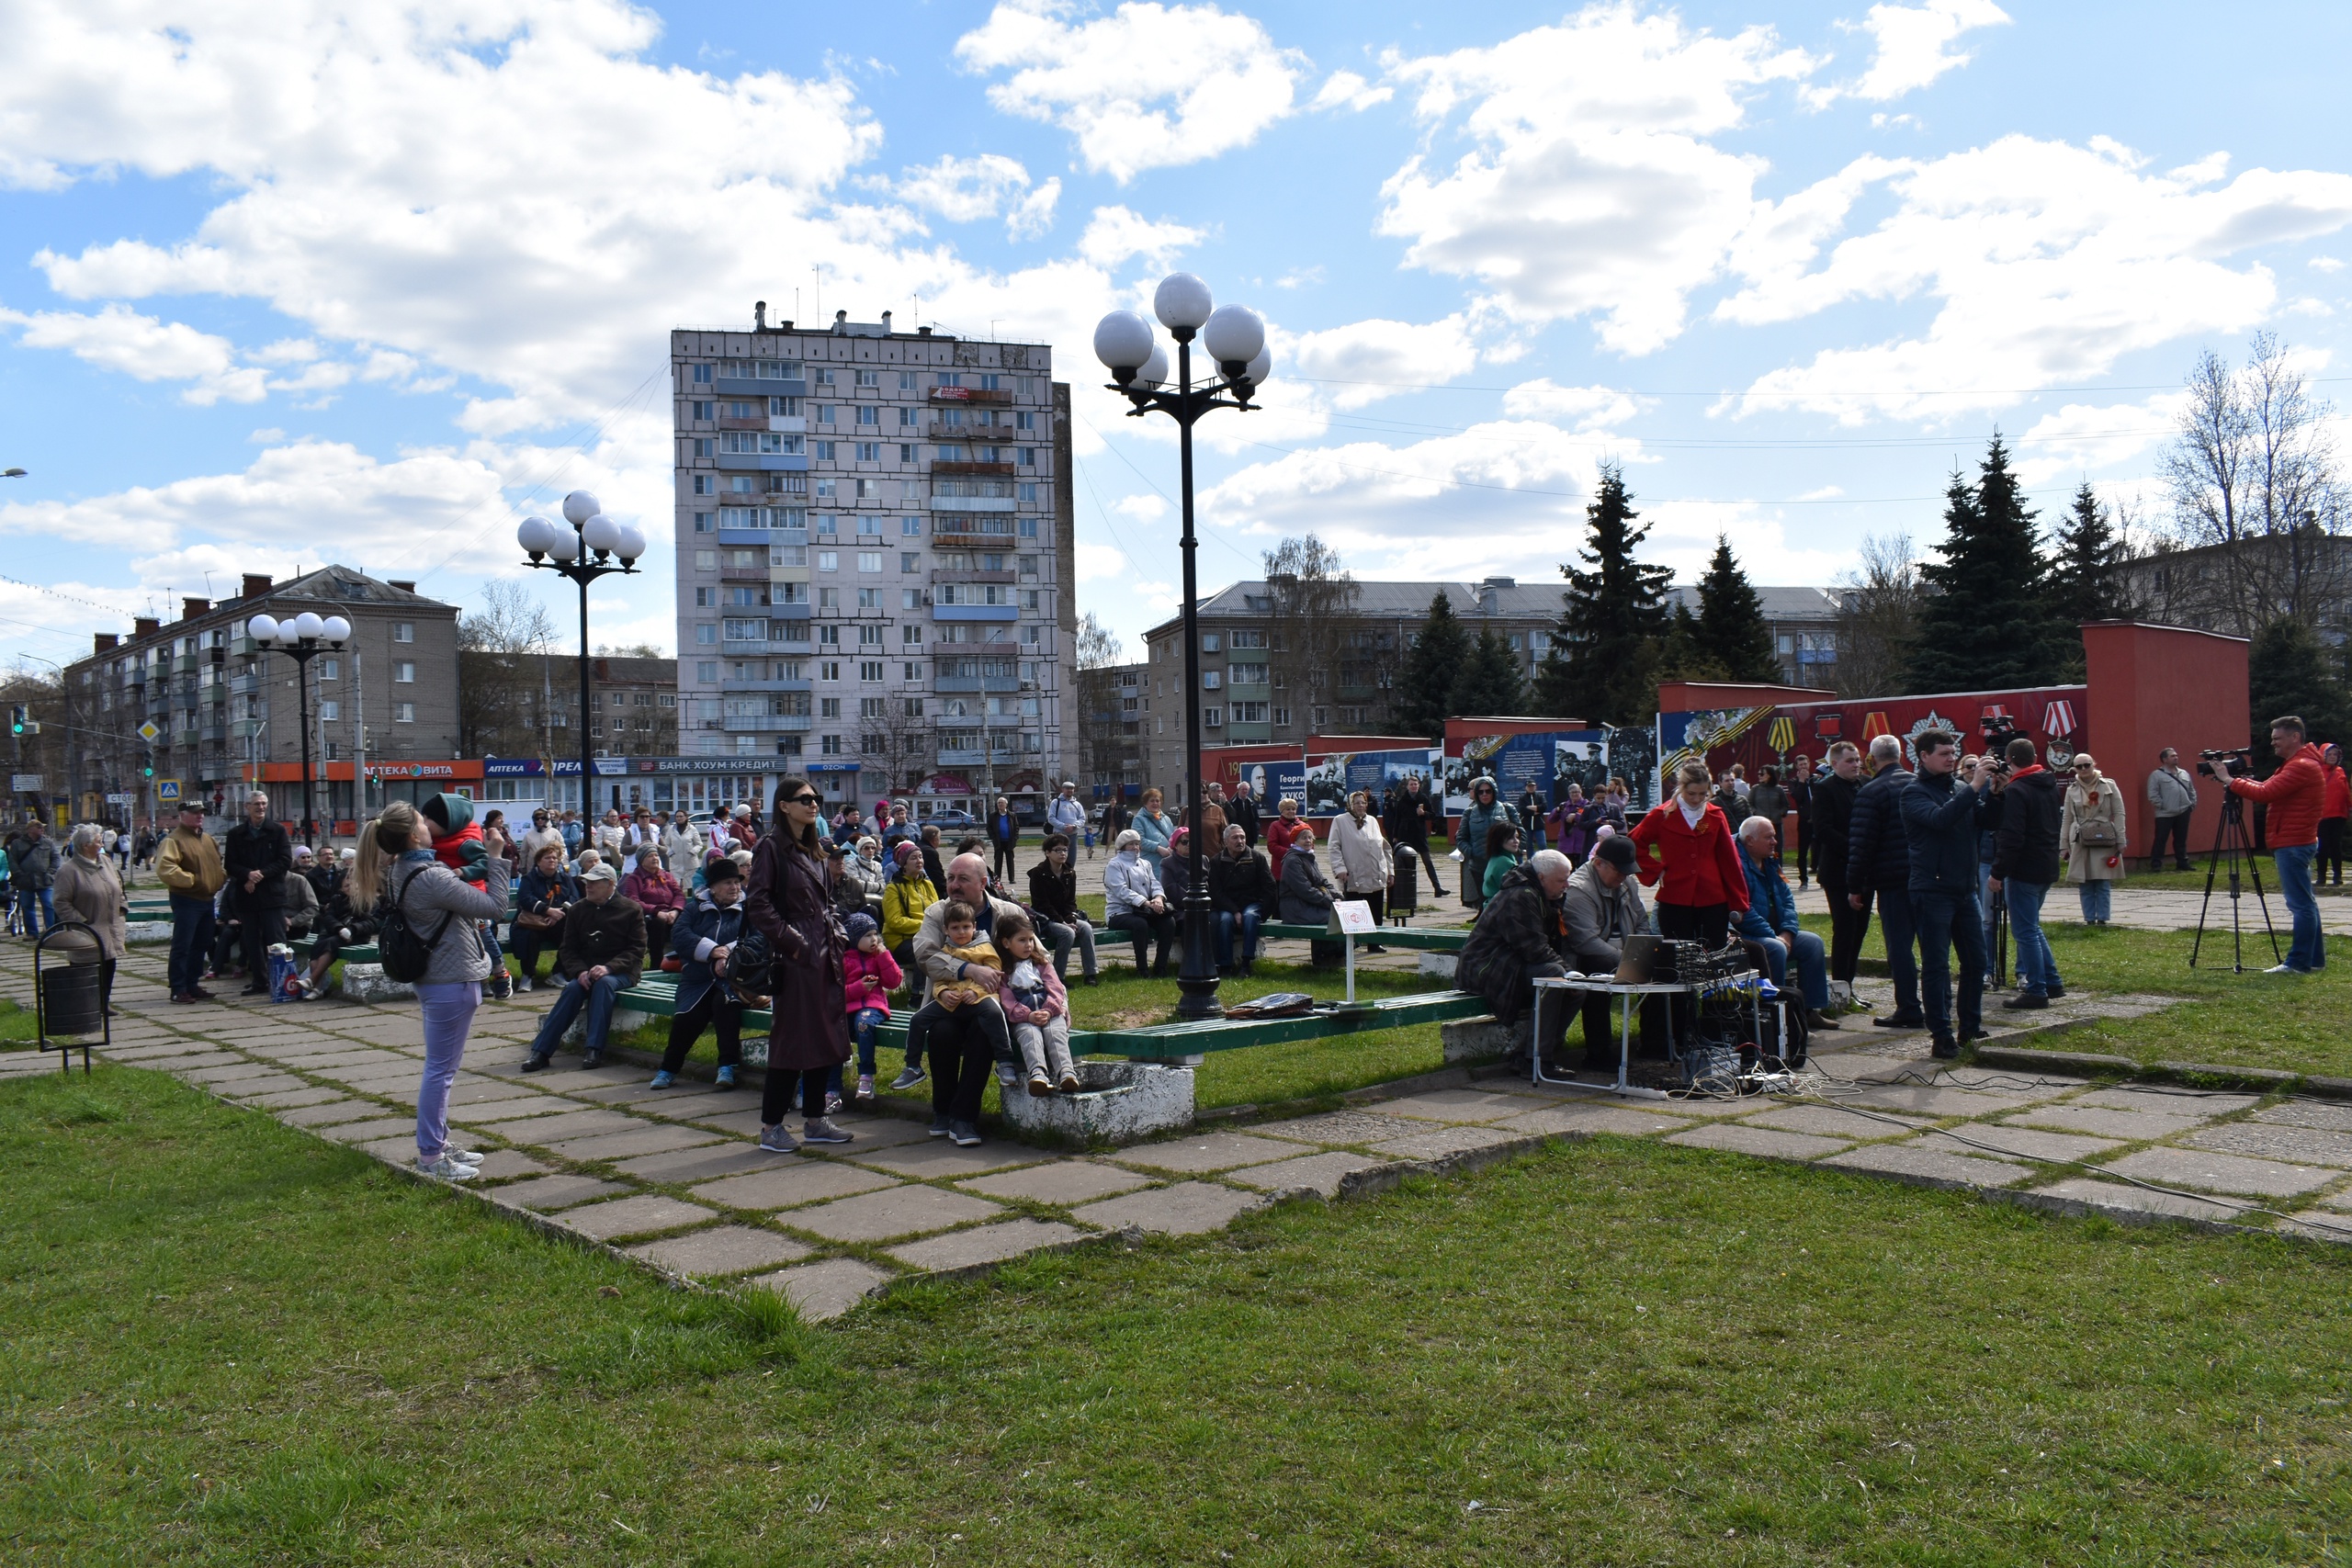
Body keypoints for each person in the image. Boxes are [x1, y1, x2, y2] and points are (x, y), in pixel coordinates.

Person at [353, 801, 511, 1180]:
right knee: (440, 1072)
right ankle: (430, 1155)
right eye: (423, 822)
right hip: (449, 980)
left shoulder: (403, 869)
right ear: (413, 835)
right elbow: (497, 907)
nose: (430, 826)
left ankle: (438, 1143)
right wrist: (496, 857)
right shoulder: (429, 876)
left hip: (439, 978)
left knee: (442, 1070)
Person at [745, 776, 856, 1152]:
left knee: (824, 1039)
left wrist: (836, 933)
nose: (813, 804)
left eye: (816, 799)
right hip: (797, 960)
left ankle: (815, 1120)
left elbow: (828, 903)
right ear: (783, 805)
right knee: (792, 1041)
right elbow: (758, 904)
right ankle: (770, 1127)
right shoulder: (771, 848)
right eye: (804, 799)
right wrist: (795, 943)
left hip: (827, 955)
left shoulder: (816, 850)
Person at [907, 855, 1023, 1145]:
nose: (953, 886)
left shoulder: (1007, 913)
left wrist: (1056, 999)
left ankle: (963, 1118)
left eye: (962, 879)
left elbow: (1036, 955)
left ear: (983, 883)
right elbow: (924, 954)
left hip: (989, 1006)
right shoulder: (937, 913)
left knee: (983, 1035)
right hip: (947, 1003)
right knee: (942, 1034)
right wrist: (968, 969)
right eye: (950, 878)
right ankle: (942, 1112)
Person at [1899, 731, 1996, 1058]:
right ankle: (1940, 1033)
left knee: (1976, 961)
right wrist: (1974, 788)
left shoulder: (1958, 789)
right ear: (1923, 757)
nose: (1951, 758)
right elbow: (1940, 820)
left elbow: (1985, 820)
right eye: (1943, 753)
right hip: (1932, 889)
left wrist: (1998, 792)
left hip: (1964, 889)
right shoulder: (1913, 792)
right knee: (1937, 965)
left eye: (1953, 752)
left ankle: (1969, 1026)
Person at [2217, 716, 2331, 974]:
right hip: (2298, 840)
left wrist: (2229, 780)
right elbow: (2269, 788)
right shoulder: (2301, 763)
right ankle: (2314, 960)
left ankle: (2298, 963)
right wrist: (2238, 782)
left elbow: (2265, 794)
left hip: (2293, 843)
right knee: (2306, 903)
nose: (2273, 744)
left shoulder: (2300, 765)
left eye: (2277, 739)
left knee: (2300, 905)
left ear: (2295, 737)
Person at [520, 861, 646, 1072]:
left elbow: (637, 949)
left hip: (621, 972)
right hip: (586, 971)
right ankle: (541, 1051)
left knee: (604, 984)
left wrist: (609, 967)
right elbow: (568, 949)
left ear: (610, 884)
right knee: (571, 989)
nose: (588, 886)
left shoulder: (631, 909)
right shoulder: (578, 909)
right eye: (587, 882)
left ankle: (594, 1049)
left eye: (594, 883)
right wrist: (579, 971)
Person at [1458, 849, 1576, 1070]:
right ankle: (1536, 1059)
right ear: (1542, 878)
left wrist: (1573, 974)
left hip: (1512, 964)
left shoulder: (1543, 894)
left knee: (1576, 987)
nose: (1566, 885)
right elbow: (1533, 948)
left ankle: (1535, 1051)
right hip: (1487, 969)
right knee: (1556, 976)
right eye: (1561, 880)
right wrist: (1568, 971)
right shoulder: (1520, 896)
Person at [1557, 836, 1666, 1071]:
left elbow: (1641, 923)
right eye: (1619, 871)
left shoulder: (1628, 883)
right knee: (1596, 972)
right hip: (1585, 957)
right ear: (1598, 863)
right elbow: (1586, 941)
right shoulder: (1579, 889)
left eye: (1628, 871)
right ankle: (1598, 1053)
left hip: (1623, 951)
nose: (1623, 877)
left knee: (1663, 970)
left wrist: (1643, 953)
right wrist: (1628, 960)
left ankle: (1654, 1044)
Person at [652, 853, 753, 1091]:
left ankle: (727, 1067)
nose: (734, 887)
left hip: (734, 979)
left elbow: (757, 939)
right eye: (728, 883)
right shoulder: (695, 908)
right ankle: (668, 1069)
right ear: (713, 887)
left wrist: (728, 954)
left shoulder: (748, 909)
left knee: (725, 1005)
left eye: (737, 882)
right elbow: (680, 935)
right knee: (688, 1016)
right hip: (698, 978)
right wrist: (712, 951)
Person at [1628, 762, 1749, 949]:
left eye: (1703, 794)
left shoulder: (1715, 815)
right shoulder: (1661, 815)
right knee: (1678, 960)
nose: (1697, 799)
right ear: (1681, 788)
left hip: (1713, 900)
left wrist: (1738, 902)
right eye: (1691, 794)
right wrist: (1655, 870)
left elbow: (1730, 860)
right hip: (1674, 898)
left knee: (1713, 958)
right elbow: (1633, 844)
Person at [1846, 734, 1923, 1029]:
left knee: (1899, 946)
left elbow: (1861, 844)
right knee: (1932, 944)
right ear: (1901, 755)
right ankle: (1938, 1003)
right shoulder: (1920, 785)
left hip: (1892, 881)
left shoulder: (1871, 792)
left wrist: (1855, 887)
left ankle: (1909, 1006)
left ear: (1872, 760)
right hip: (1926, 875)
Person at [1733, 815, 1836, 1032]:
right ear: (1749, 840)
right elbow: (1742, 909)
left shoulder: (1770, 861)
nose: (1774, 842)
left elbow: (1787, 899)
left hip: (1776, 933)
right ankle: (1780, 1016)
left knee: (1813, 944)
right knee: (1776, 948)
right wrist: (1773, 935)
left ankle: (1808, 1012)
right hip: (1745, 935)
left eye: (1774, 836)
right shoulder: (1735, 864)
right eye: (1768, 837)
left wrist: (1788, 931)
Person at [1988, 735, 2065, 1010]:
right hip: (2046, 864)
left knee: (2025, 932)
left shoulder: (2018, 791)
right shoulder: (2046, 784)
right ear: (2034, 759)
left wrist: (1997, 871)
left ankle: (2036, 989)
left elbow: (2012, 836)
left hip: (2024, 869)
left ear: (2008, 761)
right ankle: (2051, 981)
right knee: (2033, 926)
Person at [995, 910, 1078, 1096]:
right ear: (1006, 943)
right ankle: (1038, 1074)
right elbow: (1007, 999)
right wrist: (1027, 1015)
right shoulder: (1004, 971)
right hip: (1024, 1018)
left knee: (1055, 1033)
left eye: (1031, 940)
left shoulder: (1041, 964)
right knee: (1030, 1036)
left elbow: (1055, 988)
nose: (1028, 945)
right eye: (1022, 940)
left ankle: (1066, 1073)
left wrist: (1049, 1010)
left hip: (1050, 1012)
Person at [220, 792, 292, 995]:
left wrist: (258, 875)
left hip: (272, 896)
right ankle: (260, 982)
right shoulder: (236, 834)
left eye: (263, 804)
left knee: (276, 942)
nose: (260, 807)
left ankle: (282, 982)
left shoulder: (277, 831)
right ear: (247, 807)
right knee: (252, 943)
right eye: (256, 804)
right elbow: (231, 864)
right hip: (247, 895)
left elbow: (284, 861)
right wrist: (247, 875)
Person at [53, 824, 129, 1014]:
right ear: (86, 845)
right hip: (87, 929)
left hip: (110, 925)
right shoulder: (69, 871)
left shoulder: (105, 861)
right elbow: (61, 902)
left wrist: (122, 908)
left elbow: (118, 887)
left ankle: (103, 1003)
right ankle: (85, 1006)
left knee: (109, 964)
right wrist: (81, 921)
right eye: (98, 841)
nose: (102, 844)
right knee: (85, 968)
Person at [156, 800, 225, 1002]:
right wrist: (193, 881)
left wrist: (219, 878)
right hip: (186, 899)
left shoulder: (207, 839)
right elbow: (166, 868)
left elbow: (217, 863)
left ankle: (192, 984)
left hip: (207, 899)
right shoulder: (173, 840)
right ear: (182, 815)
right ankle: (178, 988)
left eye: (202, 812)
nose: (200, 816)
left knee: (202, 943)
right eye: (195, 813)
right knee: (183, 944)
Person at [838, 910, 903, 1103]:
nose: (874, 939)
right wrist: (858, 988)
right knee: (834, 1030)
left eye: (875, 934)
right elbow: (835, 992)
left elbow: (894, 982)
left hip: (873, 1006)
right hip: (848, 1006)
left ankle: (866, 1076)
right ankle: (831, 1086)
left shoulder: (877, 956)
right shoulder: (844, 959)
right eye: (867, 936)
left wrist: (884, 956)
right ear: (854, 938)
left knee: (863, 1024)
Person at [297, 850, 381, 999]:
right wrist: (339, 928)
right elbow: (328, 917)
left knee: (330, 944)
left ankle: (312, 981)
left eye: (352, 883)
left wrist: (352, 929)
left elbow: (370, 922)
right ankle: (315, 988)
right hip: (335, 934)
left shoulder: (368, 900)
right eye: (346, 885)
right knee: (318, 946)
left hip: (356, 936)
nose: (349, 886)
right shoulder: (337, 899)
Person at [2061, 754, 2128, 925]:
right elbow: (2067, 818)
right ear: (2075, 769)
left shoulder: (2109, 785)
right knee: (2084, 880)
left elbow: (2119, 813)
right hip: (2080, 836)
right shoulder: (2072, 790)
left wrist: (2121, 839)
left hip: (2104, 835)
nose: (2083, 769)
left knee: (2102, 879)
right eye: (2079, 766)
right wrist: (2064, 845)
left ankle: (2103, 919)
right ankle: (2089, 919)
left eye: (2087, 765)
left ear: (2094, 764)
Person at [1025, 833, 1098, 985]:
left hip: (1064, 917)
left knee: (1086, 928)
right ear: (1047, 853)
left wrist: (1070, 918)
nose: (1062, 853)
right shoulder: (1038, 874)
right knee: (1067, 933)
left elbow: (1071, 902)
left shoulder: (1069, 872)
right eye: (1057, 850)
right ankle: (1058, 977)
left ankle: (1091, 974)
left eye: (1065, 850)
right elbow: (1041, 904)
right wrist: (1062, 922)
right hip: (1045, 919)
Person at [1103, 829, 1177, 975]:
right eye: (1131, 844)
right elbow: (1122, 891)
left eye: (1137, 844)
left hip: (1144, 911)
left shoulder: (1145, 863)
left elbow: (1155, 883)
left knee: (1169, 922)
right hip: (1120, 912)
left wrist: (1158, 898)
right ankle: (1142, 968)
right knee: (1140, 924)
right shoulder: (1114, 865)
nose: (1135, 847)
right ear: (1122, 846)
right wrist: (1146, 902)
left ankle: (1161, 966)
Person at [881, 840, 939, 1023]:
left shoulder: (927, 884)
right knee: (924, 950)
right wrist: (926, 925)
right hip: (900, 940)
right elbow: (894, 921)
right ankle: (916, 998)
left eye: (920, 857)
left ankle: (941, 994)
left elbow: (937, 910)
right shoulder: (894, 888)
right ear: (903, 863)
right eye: (914, 858)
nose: (919, 861)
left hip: (926, 935)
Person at [1207, 823, 1276, 975]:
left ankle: (1246, 963)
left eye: (1242, 837)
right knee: (1225, 920)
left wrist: (1264, 913)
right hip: (1228, 905)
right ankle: (1225, 966)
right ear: (1226, 841)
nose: (1240, 841)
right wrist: (1234, 911)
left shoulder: (1257, 858)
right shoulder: (1216, 861)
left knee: (1250, 917)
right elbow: (1216, 892)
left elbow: (1270, 887)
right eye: (1235, 838)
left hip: (1252, 903)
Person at [509, 844, 577, 993]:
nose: (552, 860)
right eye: (547, 858)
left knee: (573, 935)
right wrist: (547, 911)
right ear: (539, 861)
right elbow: (525, 899)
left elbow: (574, 898)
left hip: (558, 921)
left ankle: (558, 973)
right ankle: (527, 976)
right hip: (532, 923)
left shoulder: (565, 878)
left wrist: (558, 915)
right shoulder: (529, 878)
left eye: (554, 858)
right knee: (528, 937)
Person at [1330, 790, 1394, 935]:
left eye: (1363, 802)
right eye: (1357, 803)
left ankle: (1374, 942)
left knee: (1376, 910)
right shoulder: (1340, 821)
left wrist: (1390, 871)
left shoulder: (1372, 821)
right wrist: (1339, 868)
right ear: (1350, 805)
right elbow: (1333, 847)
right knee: (1354, 912)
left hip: (1374, 874)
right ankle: (1354, 941)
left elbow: (1385, 847)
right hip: (1354, 874)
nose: (1361, 806)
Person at [1454, 778, 1519, 912]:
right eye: (1480, 792)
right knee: (1484, 899)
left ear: (1494, 791)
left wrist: (1515, 850)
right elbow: (1460, 838)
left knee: (1506, 898)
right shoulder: (1470, 812)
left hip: (1503, 863)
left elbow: (1520, 832)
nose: (1484, 794)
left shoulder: (1506, 809)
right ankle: (1484, 922)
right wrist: (1472, 852)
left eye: (1488, 791)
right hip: (1479, 864)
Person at [1383, 774, 1445, 896]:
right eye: (1411, 784)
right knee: (1405, 864)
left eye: (1415, 784)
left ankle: (1437, 888)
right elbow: (1397, 818)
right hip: (1405, 834)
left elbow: (1433, 815)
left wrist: (1424, 813)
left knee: (1428, 861)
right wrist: (1395, 835)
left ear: (1419, 786)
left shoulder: (1423, 798)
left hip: (1419, 834)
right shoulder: (1402, 800)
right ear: (1407, 786)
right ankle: (1402, 891)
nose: (1413, 786)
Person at [621, 846, 684, 962]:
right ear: (641, 861)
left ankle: (681, 960)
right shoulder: (634, 878)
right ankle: (657, 962)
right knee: (658, 924)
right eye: (650, 856)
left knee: (685, 919)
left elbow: (679, 894)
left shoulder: (667, 876)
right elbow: (632, 900)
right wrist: (656, 911)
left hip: (671, 913)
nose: (655, 858)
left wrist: (675, 911)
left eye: (656, 855)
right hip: (650, 916)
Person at [2145, 749, 2199, 873]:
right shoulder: (2156, 775)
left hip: (2184, 811)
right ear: (2165, 759)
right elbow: (2152, 794)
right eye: (2172, 756)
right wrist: (2163, 806)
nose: (2176, 757)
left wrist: (2191, 804)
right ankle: (2156, 864)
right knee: (2161, 839)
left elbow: (2191, 790)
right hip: (2165, 813)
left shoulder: (2184, 773)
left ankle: (2182, 863)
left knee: (2181, 839)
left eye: (2176, 755)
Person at [7, 818, 60, 938]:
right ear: (30, 829)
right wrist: (18, 873)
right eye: (39, 827)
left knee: (49, 905)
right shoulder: (17, 843)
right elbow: (12, 860)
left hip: (45, 880)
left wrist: (50, 872)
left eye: (42, 827)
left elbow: (56, 858)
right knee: (27, 906)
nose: (42, 829)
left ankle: (50, 932)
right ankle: (32, 933)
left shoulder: (48, 843)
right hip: (25, 880)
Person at [1277, 820, 1338, 923]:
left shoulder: (1308, 857)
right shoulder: (1292, 861)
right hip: (1295, 908)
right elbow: (1304, 890)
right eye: (1304, 838)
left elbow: (1322, 882)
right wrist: (1330, 902)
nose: (1308, 841)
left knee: (1342, 915)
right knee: (1335, 918)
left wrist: (1338, 897)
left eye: (1310, 838)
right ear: (1295, 841)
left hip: (1309, 904)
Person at [1787, 753, 1817, 887]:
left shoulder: (1816, 779)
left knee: (1820, 849)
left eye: (1805, 764)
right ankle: (1803, 879)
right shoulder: (1794, 782)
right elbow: (1797, 797)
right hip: (1804, 820)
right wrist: (1802, 782)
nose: (1804, 767)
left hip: (1818, 819)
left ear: (1809, 764)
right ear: (1796, 767)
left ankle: (1820, 874)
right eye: (1801, 765)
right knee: (1803, 851)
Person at [2322, 743, 2349, 888]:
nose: (2332, 757)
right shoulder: (2318, 772)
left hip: (2339, 815)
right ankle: (2321, 876)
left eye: (2335, 754)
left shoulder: (2340, 771)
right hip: (2322, 815)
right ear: (2323, 756)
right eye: (2329, 754)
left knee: (2336, 846)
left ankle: (2337, 875)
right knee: (2322, 846)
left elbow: (2346, 793)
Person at [1263, 795, 1308, 884]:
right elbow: (1272, 846)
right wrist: (1291, 854)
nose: (1291, 811)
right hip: (1282, 868)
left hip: (1302, 867)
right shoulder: (1275, 825)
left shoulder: (1303, 825)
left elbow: (1310, 843)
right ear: (1282, 811)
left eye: (1293, 809)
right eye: (1288, 809)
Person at [1133, 787, 1174, 879]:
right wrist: (1158, 848)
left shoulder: (1166, 819)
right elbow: (1139, 841)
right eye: (1152, 801)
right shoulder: (1139, 819)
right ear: (1145, 803)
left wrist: (1172, 847)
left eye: (1157, 801)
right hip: (1150, 863)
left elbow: (1173, 837)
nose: (1155, 803)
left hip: (1168, 862)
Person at [1747, 766, 1790, 855]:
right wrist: (1756, 813)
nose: (1759, 776)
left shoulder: (1778, 789)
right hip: (1761, 825)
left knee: (1777, 849)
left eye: (1762, 774)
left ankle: (1778, 868)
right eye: (1758, 774)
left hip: (1776, 824)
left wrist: (1781, 813)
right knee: (1762, 849)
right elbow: (1749, 804)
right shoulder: (1755, 789)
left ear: (1769, 775)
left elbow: (1785, 805)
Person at [1481, 821, 1524, 903]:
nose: (1516, 841)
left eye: (1517, 837)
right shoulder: (1503, 862)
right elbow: (1513, 891)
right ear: (1499, 840)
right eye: (1511, 838)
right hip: (1501, 908)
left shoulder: (1496, 857)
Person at [1046, 782, 1089, 859]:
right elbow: (1051, 818)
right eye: (1067, 788)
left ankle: (1070, 871)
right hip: (1059, 835)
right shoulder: (1056, 802)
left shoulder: (1077, 804)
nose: (1070, 790)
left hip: (1073, 835)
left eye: (1071, 788)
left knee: (1071, 859)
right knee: (1059, 858)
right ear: (1063, 789)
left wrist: (1074, 826)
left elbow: (1082, 818)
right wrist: (1064, 826)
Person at [662, 809, 705, 886]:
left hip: (690, 864)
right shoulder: (671, 830)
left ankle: (689, 897)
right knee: (675, 886)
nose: (679, 818)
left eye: (681, 816)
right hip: (675, 863)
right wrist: (670, 853)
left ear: (686, 817)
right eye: (677, 817)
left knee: (689, 888)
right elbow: (666, 844)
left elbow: (699, 844)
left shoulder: (692, 829)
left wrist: (693, 852)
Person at [987, 795, 1019, 883]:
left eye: (1002, 803)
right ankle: (997, 879)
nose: (1000, 804)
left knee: (1010, 861)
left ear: (1006, 804)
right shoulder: (993, 815)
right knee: (998, 861)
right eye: (998, 803)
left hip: (1009, 842)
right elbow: (989, 828)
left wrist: (1015, 838)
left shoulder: (1012, 815)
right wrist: (993, 838)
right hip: (998, 842)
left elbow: (1016, 827)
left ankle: (1011, 879)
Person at [1227, 777, 1262, 848]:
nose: (1244, 791)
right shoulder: (1232, 803)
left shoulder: (1252, 803)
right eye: (1243, 789)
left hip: (1249, 835)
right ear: (1238, 790)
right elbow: (1229, 817)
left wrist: (1257, 828)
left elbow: (1256, 818)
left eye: (1246, 789)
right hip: (1237, 833)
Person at [1516, 781, 1550, 851]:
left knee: (1542, 845)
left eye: (1532, 786)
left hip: (1539, 824)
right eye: (1529, 786)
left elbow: (1544, 807)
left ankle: (1543, 860)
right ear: (1526, 787)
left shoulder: (1540, 796)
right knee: (1528, 845)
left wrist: (1530, 807)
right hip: (1526, 825)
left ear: (1535, 787)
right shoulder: (1522, 798)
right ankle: (1530, 860)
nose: (1531, 788)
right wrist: (1535, 811)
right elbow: (1522, 809)